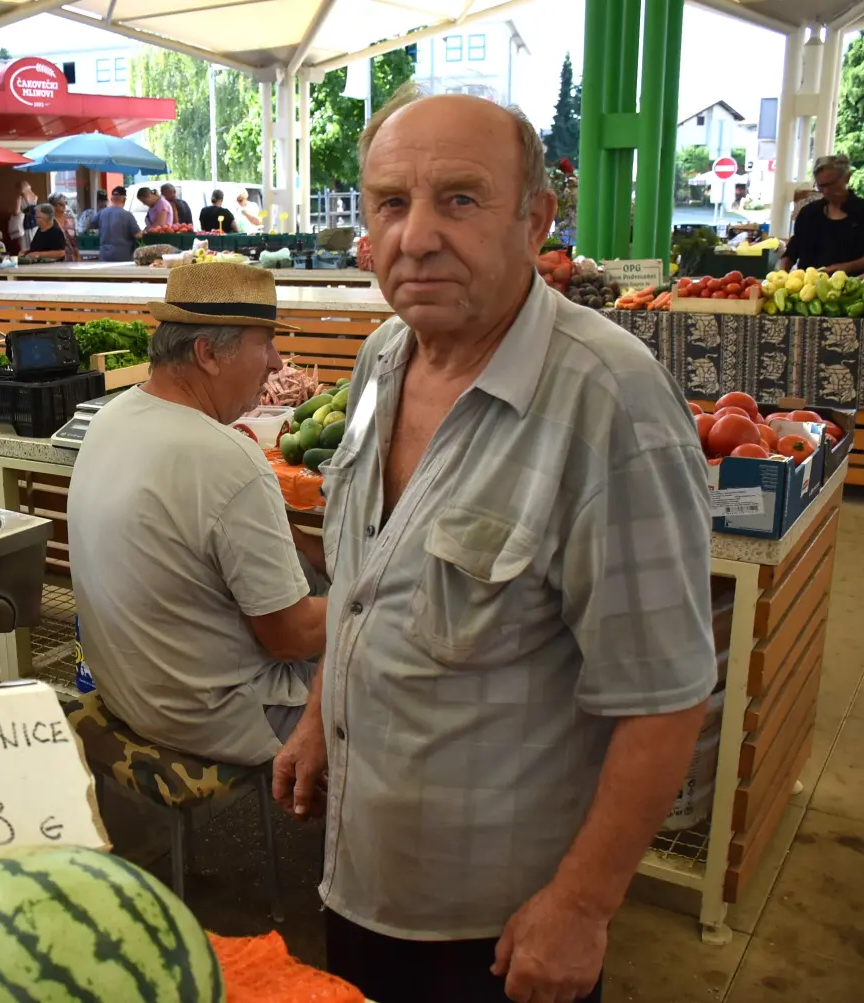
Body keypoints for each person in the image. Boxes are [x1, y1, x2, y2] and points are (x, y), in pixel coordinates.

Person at [271, 89, 716, 1003]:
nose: (417, 235)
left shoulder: (612, 404)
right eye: (391, 202)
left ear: (535, 217)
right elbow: (363, 576)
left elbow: (666, 695)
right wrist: (321, 714)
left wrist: (583, 906)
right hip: (361, 870)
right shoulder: (383, 357)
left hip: (496, 922)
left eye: (460, 199)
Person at [68, 261, 326, 765]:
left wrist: (320, 550)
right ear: (208, 354)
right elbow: (289, 637)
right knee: (400, 670)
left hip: (128, 692)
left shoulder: (112, 416)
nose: (276, 363)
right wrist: (377, 602)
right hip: (217, 714)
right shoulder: (227, 456)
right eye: (265, 343)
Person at [781, 154, 864, 276]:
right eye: (821, 186)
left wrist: (845, 268)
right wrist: (780, 273)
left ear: (847, 177)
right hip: (808, 288)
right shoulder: (809, 213)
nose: (826, 191)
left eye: (831, 184)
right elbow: (793, 250)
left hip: (852, 285)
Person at [96, 186, 144, 263]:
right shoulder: (127, 215)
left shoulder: (101, 213)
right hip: (123, 257)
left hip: (104, 256)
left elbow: (89, 226)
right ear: (124, 199)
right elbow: (138, 235)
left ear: (111, 199)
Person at [50, 193, 80, 263]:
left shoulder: (70, 220)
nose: (64, 206)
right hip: (56, 258)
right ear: (53, 206)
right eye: (60, 204)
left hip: (71, 258)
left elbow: (74, 240)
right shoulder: (50, 221)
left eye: (65, 203)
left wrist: (77, 255)